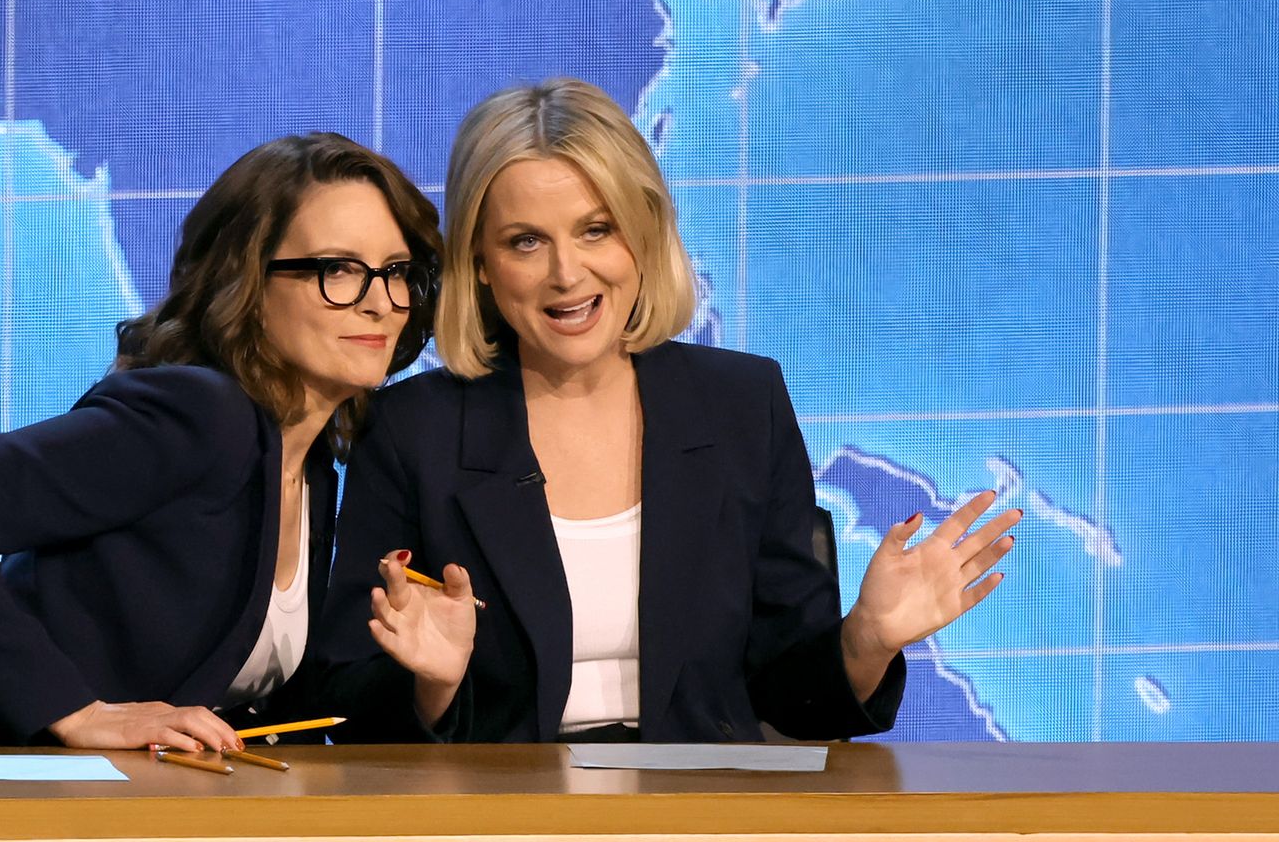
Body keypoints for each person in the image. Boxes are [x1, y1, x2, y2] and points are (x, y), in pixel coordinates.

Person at [312, 79, 1018, 743]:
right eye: (526, 241)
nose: (567, 273)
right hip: (505, 813)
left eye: (596, 230)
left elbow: (788, 697)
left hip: (698, 812)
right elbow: (346, 698)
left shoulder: (743, 405)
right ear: (482, 263)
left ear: (644, 235)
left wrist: (866, 637)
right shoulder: (414, 430)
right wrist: (429, 685)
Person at [0, 133, 440, 749]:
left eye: (397, 272)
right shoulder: (202, 417)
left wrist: (433, 680)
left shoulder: (309, 465)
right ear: (247, 283)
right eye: (337, 269)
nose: (380, 303)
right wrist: (76, 711)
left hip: (109, 805)